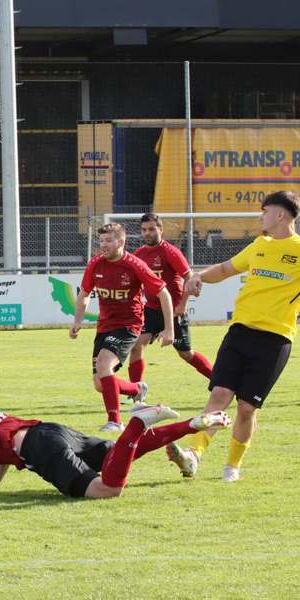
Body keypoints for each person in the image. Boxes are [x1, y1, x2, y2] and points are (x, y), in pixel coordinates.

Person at [0, 373, 231, 502]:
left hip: (41, 448)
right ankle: (192, 424)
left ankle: (138, 423)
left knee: (107, 489)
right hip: (49, 431)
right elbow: (2, 451)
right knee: (124, 454)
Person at [167, 191, 300, 483]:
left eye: (264, 212)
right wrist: (200, 276)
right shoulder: (259, 245)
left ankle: (232, 467)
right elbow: (227, 269)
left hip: (275, 340)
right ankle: (193, 455)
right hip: (239, 333)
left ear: (280, 215)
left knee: (246, 407)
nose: (260, 217)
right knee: (220, 395)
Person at [71, 222, 175, 433]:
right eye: (101, 241)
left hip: (129, 325)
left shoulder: (135, 265)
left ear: (121, 242)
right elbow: (84, 294)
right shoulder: (96, 264)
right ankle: (137, 388)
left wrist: (169, 329)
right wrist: (77, 320)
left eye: (108, 241)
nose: (103, 245)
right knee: (100, 384)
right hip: (105, 326)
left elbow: (163, 293)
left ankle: (115, 421)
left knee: (103, 364)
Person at [128, 213, 214, 383]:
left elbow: (189, 278)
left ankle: (220, 381)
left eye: (151, 229)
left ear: (161, 229)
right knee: (137, 346)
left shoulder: (170, 252)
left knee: (185, 354)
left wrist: (182, 306)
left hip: (174, 310)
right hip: (152, 309)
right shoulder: (139, 253)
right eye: (144, 230)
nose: (147, 233)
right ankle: (136, 393)